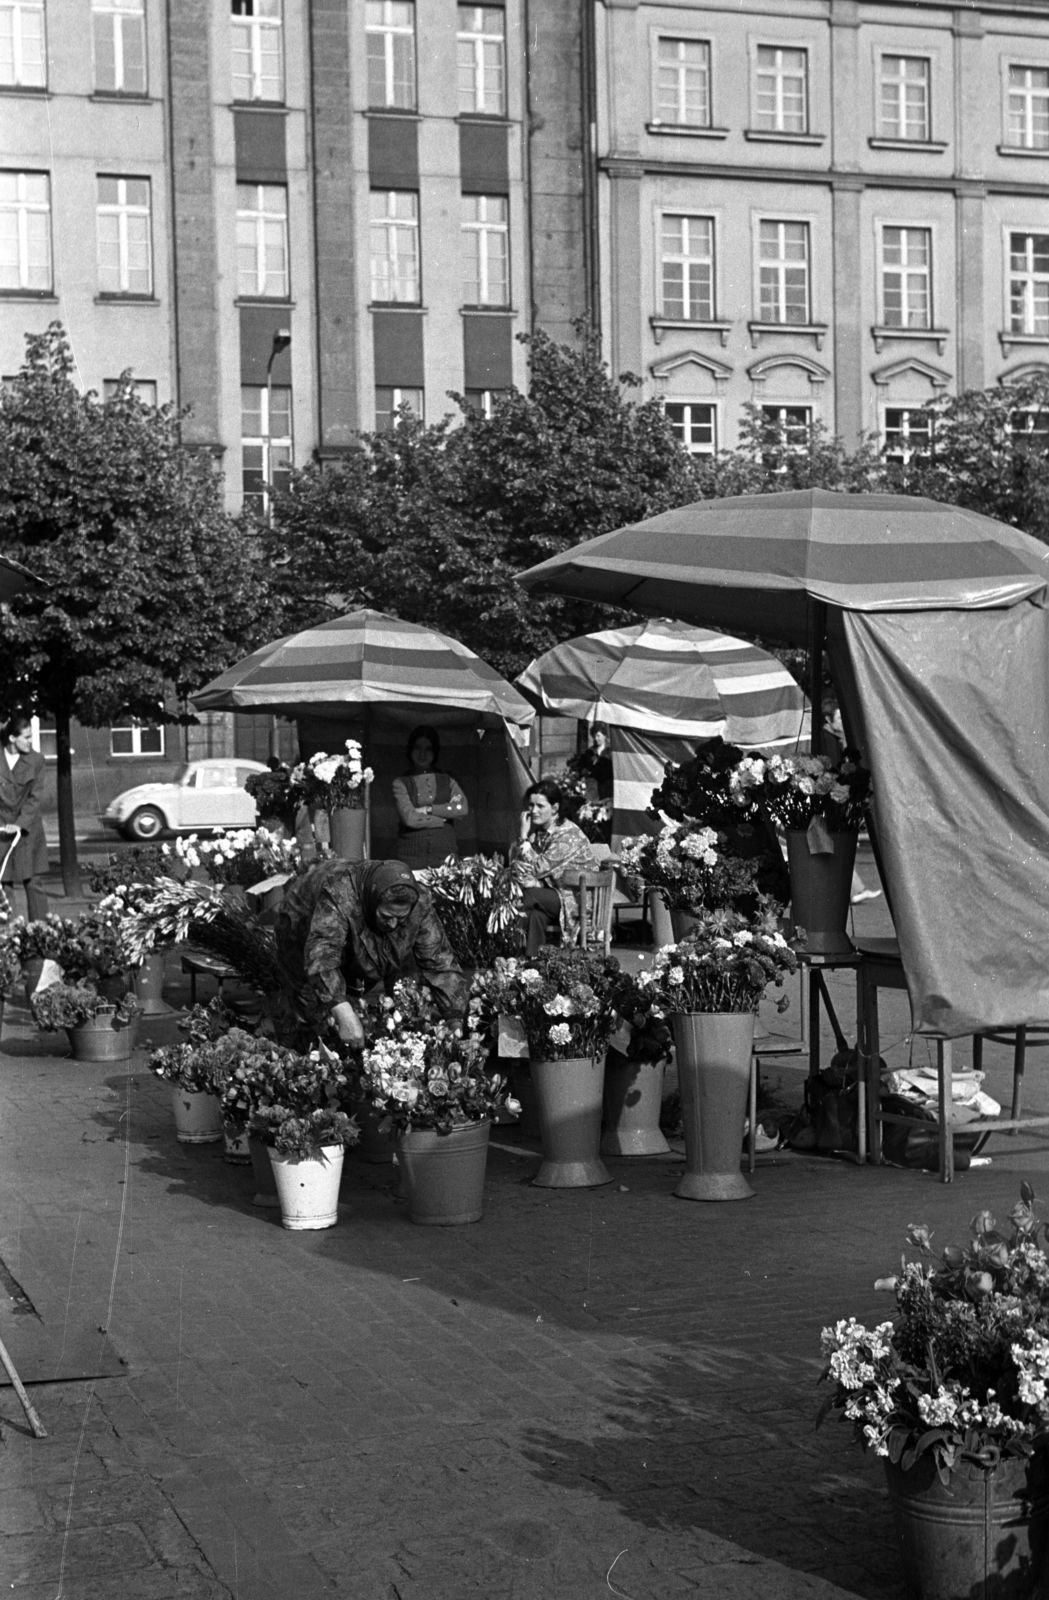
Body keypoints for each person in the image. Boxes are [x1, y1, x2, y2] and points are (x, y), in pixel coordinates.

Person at [274, 857, 467, 1045]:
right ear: (374, 901)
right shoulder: (340, 894)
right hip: (301, 925)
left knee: (398, 989)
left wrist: (454, 1017)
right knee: (315, 1014)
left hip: (357, 925)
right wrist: (342, 1010)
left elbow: (440, 961)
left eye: (400, 919)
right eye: (387, 915)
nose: (392, 924)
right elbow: (322, 953)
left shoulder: (419, 902)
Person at [511, 779, 599, 955]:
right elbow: (523, 868)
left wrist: (523, 837)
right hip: (557, 895)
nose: (533, 811)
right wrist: (537, 883)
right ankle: (534, 963)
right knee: (535, 914)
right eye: (531, 805)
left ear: (555, 808)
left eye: (540, 806)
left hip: (577, 900)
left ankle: (501, 948)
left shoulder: (567, 834)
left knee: (525, 896)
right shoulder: (541, 834)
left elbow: (536, 867)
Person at [392, 725, 469, 869]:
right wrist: (444, 817)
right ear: (410, 749)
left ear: (435, 751)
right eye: (417, 748)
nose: (422, 753)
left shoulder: (448, 780)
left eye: (428, 748)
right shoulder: (400, 782)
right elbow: (410, 819)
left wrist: (428, 809)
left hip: (446, 861)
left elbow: (461, 808)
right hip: (411, 861)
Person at [0, 714, 48, 922]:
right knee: (4, 883)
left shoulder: (37, 760)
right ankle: (10, 940)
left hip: (27, 832)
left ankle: (42, 935)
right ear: (12, 739)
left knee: (33, 882)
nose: (31, 742)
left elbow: (35, 798)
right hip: (1, 832)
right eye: (26, 737)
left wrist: (19, 824)